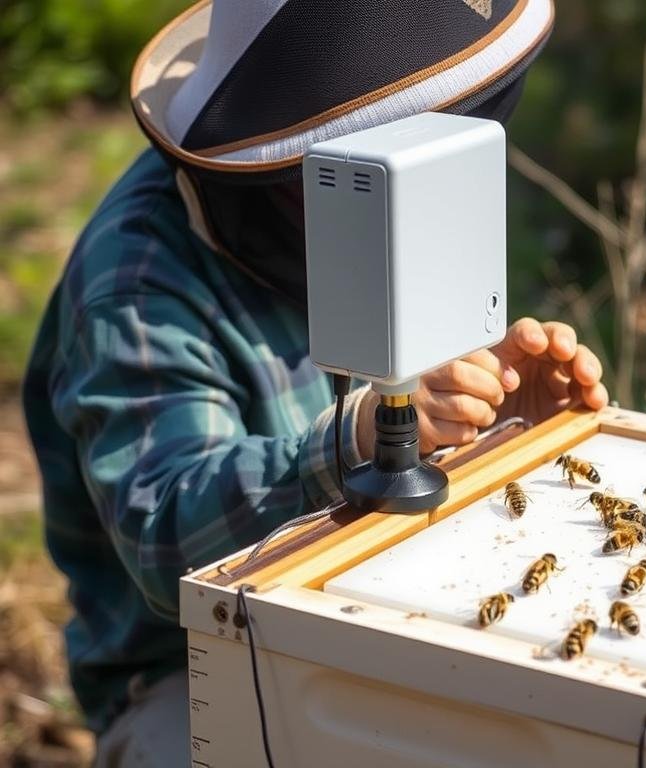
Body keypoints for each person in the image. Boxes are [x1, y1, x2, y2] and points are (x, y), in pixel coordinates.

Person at [22, 1, 605, 765]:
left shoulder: (392, 210)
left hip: (367, 618)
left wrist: (500, 422)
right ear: (284, 169)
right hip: (186, 670)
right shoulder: (136, 284)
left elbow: (425, 441)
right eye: (368, 171)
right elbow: (165, 536)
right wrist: (361, 439)